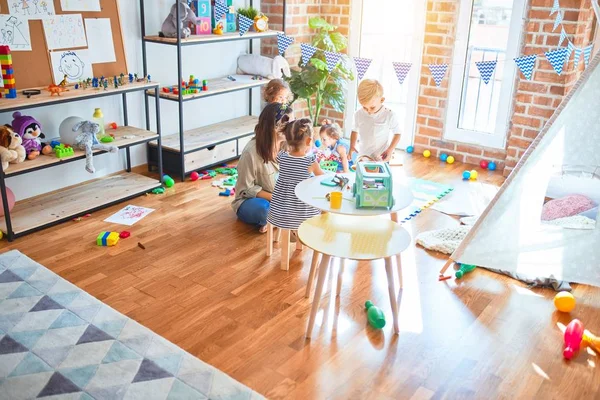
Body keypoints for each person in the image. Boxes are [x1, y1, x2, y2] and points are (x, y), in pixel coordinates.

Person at [232, 103, 292, 233]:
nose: (292, 128)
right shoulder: (251, 152)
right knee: (264, 211)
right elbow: (246, 189)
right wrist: (277, 198)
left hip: (278, 198)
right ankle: (278, 218)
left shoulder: (287, 146)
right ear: (274, 127)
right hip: (252, 200)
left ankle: (277, 219)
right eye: (288, 124)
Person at [267, 118, 324, 230]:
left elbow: (275, 152)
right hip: (303, 216)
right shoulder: (310, 161)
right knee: (323, 206)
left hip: (278, 213)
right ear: (308, 141)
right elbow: (322, 178)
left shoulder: (281, 157)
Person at [350, 79, 401, 162]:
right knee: (361, 175)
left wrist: (390, 150)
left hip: (381, 157)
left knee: (380, 174)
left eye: (372, 107)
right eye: (364, 107)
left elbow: (397, 133)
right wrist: (352, 145)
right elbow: (354, 130)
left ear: (382, 100)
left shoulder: (389, 114)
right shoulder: (358, 114)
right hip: (363, 156)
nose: (369, 111)